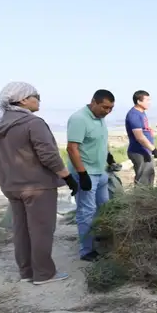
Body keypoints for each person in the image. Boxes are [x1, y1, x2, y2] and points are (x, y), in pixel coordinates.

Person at [0, 82, 78, 285]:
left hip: (11, 185)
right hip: (37, 186)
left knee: (20, 230)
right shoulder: (33, 123)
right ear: (23, 100)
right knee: (41, 230)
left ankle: (26, 272)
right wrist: (67, 176)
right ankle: (44, 274)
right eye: (35, 96)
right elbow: (48, 155)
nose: (39, 100)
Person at [67, 90, 115, 262]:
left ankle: (98, 237)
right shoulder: (79, 119)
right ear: (93, 102)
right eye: (104, 107)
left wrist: (108, 155)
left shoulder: (100, 118)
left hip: (100, 171)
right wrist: (82, 173)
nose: (107, 111)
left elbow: (100, 141)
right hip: (86, 173)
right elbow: (72, 148)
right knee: (86, 212)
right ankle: (86, 250)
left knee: (104, 207)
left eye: (111, 108)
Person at [125, 90, 157, 185]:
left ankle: (148, 199)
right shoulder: (134, 115)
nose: (149, 103)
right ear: (138, 101)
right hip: (138, 151)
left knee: (149, 176)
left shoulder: (141, 112)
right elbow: (139, 136)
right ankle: (139, 199)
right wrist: (153, 149)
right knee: (143, 180)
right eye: (147, 100)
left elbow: (144, 129)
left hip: (145, 150)